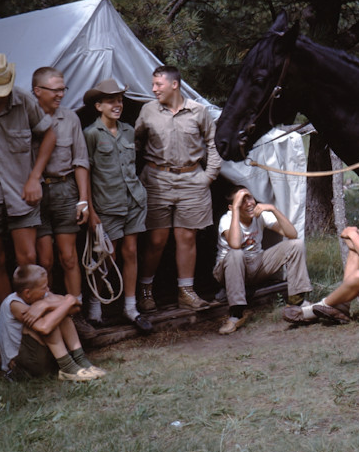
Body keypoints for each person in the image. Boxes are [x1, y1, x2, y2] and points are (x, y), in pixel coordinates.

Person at [134, 65, 222, 312]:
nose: (153, 89)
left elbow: (214, 144)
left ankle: (186, 291)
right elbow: (135, 142)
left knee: (186, 237)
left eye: (158, 85)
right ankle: (145, 290)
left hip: (191, 180)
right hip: (156, 180)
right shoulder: (148, 110)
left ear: (174, 85)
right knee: (156, 239)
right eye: (153, 84)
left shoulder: (199, 111)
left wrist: (208, 177)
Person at [0, 53, 56, 307]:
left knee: (28, 259)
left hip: (22, 191)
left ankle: (36, 316)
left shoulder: (24, 101)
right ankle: (10, 319)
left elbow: (49, 136)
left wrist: (34, 177)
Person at [30, 67, 96, 337]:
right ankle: (50, 311)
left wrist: (83, 200)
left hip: (64, 189)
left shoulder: (70, 118)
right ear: (38, 91)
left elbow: (81, 161)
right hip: (34, 194)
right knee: (44, 261)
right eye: (55, 89)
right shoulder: (24, 117)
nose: (60, 94)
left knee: (68, 257)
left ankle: (75, 312)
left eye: (62, 89)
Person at [83, 79, 153, 333]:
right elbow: (86, 175)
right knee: (105, 256)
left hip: (133, 201)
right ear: (98, 105)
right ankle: (95, 306)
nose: (117, 105)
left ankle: (130, 307)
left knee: (131, 252)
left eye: (120, 100)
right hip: (106, 205)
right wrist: (90, 211)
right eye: (111, 101)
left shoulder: (128, 130)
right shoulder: (90, 134)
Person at [214, 187, 313, 334]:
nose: (249, 203)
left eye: (250, 198)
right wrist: (235, 209)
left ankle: (296, 301)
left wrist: (273, 209)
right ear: (232, 207)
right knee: (236, 254)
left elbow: (292, 234)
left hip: (256, 265)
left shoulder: (259, 216)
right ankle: (236, 314)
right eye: (242, 201)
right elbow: (235, 244)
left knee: (296, 244)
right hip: (228, 270)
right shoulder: (227, 219)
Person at [0, 264, 105, 381]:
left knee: (62, 314)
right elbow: (44, 328)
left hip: (41, 358)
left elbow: (76, 308)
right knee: (52, 317)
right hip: (22, 365)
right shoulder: (14, 304)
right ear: (27, 293)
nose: (47, 290)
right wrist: (69, 300)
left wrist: (47, 304)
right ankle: (68, 368)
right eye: (44, 287)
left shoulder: (43, 296)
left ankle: (80, 359)